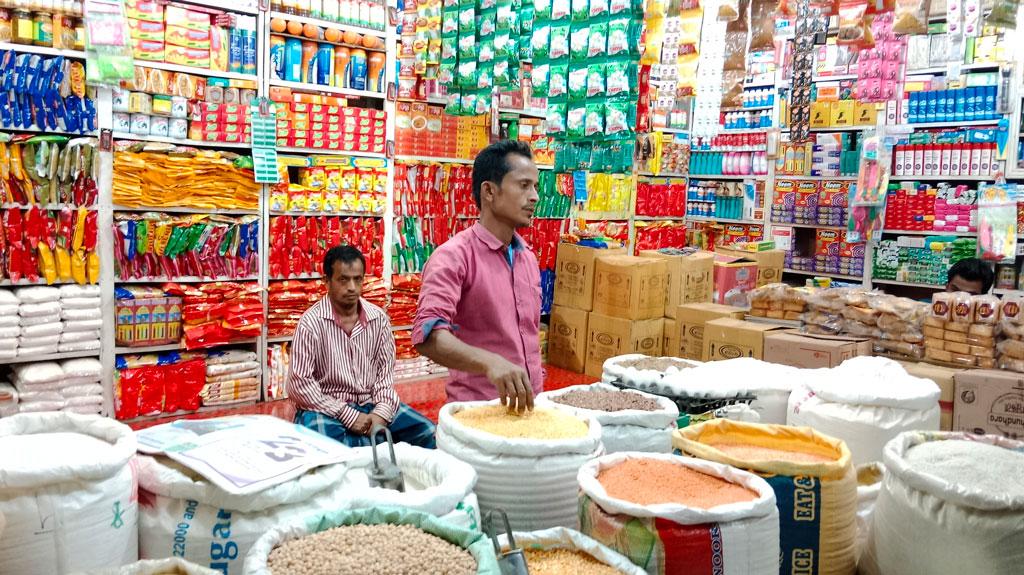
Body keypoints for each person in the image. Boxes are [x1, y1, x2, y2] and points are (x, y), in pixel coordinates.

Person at [413, 140, 542, 412]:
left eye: (535, 187)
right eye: (523, 185)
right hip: (478, 414)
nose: (534, 197)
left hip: (531, 409)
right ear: (489, 191)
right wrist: (489, 362)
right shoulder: (454, 257)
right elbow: (428, 334)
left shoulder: (526, 257)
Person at [288, 245, 436, 448]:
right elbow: (300, 385)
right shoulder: (311, 323)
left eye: (357, 279)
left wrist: (380, 414)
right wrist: (347, 414)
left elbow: (385, 377)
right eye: (343, 279)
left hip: (371, 402)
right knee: (323, 445)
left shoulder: (378, 319)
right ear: (327, 281)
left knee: (426, 432)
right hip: (328, 407)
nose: (352, 287)